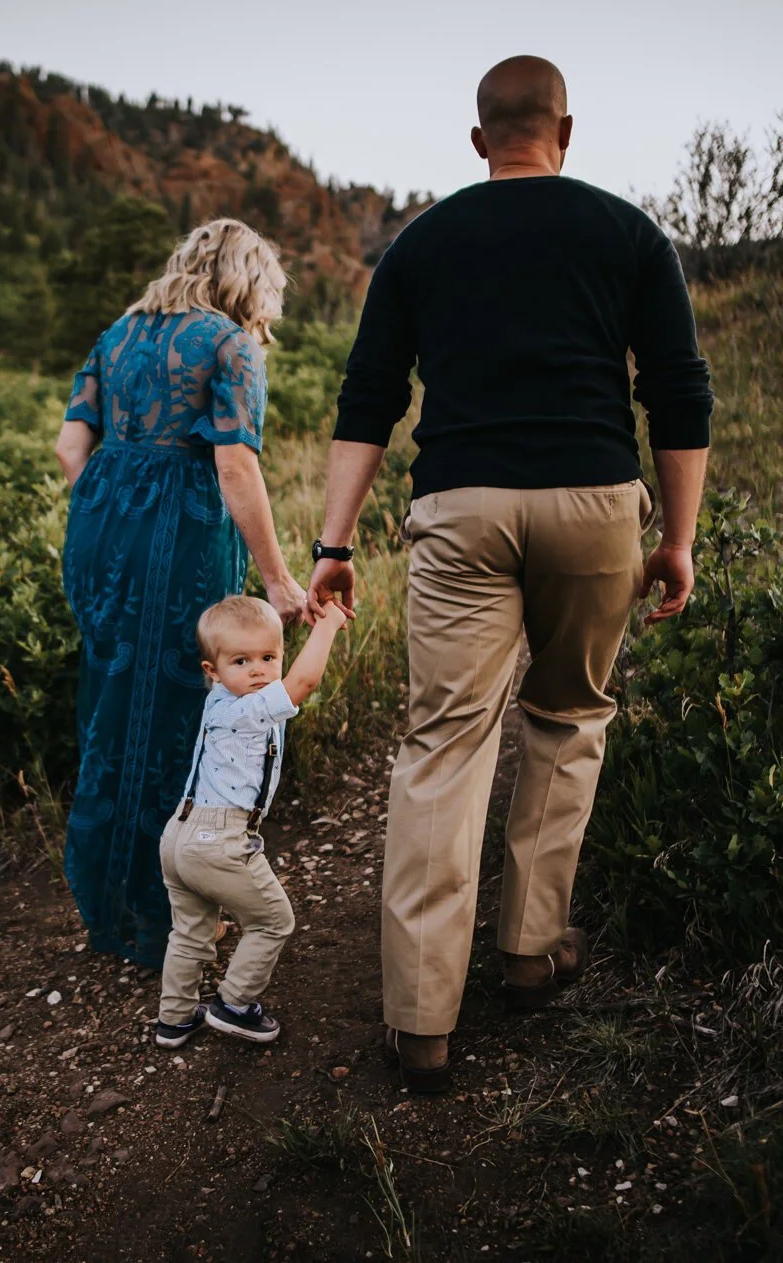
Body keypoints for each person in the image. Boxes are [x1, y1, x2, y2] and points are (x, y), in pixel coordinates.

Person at [305, 56, 714, 1092]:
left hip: (461, 507)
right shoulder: (627, 234)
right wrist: (676, 536)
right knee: (568, 714)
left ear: (477, 137)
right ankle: (530, 952)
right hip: (592, 502)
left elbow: (367, 397)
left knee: (442, 743)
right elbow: (677, 392)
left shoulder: (422, 242)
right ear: (562, 131)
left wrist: (333, 545)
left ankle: (420, 1021)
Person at [54, 219, 308, 966]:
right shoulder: (230, 343)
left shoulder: (118, 333)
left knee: (110, 710)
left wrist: (113, 512)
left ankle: (107, 910)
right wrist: (276, 578)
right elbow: (235, 466)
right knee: (180, 723)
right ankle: (172, 918)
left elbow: (72, 447)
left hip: (101, 536)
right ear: (244, 279)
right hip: (183, 536)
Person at [153, 594, 352, 1049]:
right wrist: (327, 627)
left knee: (190, 932)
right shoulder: (244, 711)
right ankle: (235, 1005)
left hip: (178, 837)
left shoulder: (221, 700)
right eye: (241, 661)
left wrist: (299, 608)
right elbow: (302, 682)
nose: (259, 670)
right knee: (273, 921)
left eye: (268, 657)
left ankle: (175, 1019)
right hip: (218, 838)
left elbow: (266, 652)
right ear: (213, 672)